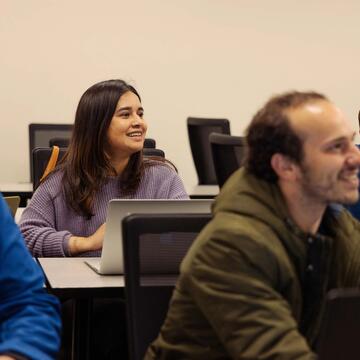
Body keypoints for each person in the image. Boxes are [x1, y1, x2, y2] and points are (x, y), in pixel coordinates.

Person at [145, 91, 360, 359]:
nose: (356, 158)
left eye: (352, 143)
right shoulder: (231, 246)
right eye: (336, 147)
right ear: (286, 166)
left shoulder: (336, 227)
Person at [20, 79, 188, 257]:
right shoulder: (60, 183)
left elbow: (190, 235)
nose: (139, 122)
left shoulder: (164, 178)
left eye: (140, 114)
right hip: (78, 284)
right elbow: (25, 236)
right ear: (97, 126)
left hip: (147, 281)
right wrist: (85, 243)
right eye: (125, 115)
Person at [0, 194, 61, 359]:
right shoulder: (58, 183)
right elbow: (29, 233)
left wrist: (15, 354)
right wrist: (81, 243)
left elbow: (26, 305)